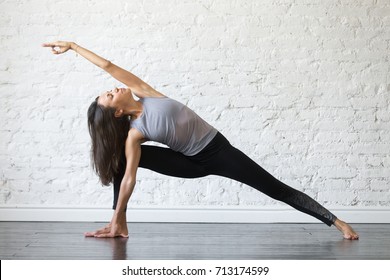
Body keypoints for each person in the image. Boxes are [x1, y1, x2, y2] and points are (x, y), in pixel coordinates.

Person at [42, 41, 359, 240]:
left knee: (273, 187)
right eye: (110, 95)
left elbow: (109, 65)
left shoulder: (146, 93)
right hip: (190, 164)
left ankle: (336, 221)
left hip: (218, 151)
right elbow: (128, 180)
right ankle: (118, 225)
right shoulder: (136, 134)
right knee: (121, 163)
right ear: (116, 114)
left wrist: (73, 46)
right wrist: (117, 213)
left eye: (110, 88)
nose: (113, 87)